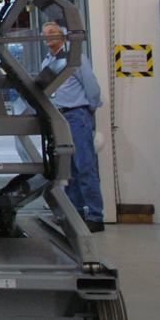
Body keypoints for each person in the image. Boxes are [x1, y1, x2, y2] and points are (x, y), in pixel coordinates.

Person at [40, 22, 105, 232]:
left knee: (85, 166)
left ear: (63, 36)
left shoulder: (73, 58)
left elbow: (91, 85)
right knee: (69, 169)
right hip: (58, 118)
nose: (48, 37)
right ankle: (75, 212)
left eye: (52, 33)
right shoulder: (47, 62)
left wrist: (91, 108)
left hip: (77, 115)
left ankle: (95, 215)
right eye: (45, 34)